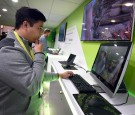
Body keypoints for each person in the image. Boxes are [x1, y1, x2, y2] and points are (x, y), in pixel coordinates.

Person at [0, 7, 73, 115]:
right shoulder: (7, 50)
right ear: (25, 25)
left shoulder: (25, 45)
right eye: (39, 28)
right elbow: (33, 86)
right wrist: (39, 54)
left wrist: (59, 75)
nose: (41, 32)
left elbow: (36, 74)